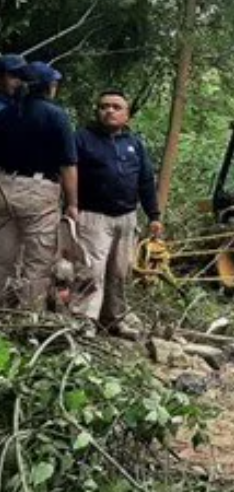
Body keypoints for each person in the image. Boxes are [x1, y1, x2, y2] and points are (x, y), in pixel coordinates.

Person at [72, 90, 161, 335]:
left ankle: (113, 320)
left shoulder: (134, 144)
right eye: (103, 106)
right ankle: (84, 320)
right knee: (91, 270)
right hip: (92, 216)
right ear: (97, 111)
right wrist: (69, 206)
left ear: (127, 114)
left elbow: (145, 181)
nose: (109, 110)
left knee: (120, 271)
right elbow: (68, 173)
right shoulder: (82, 138)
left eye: (115, 106)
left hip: (126, 217)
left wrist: (154, 215)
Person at [0, 61, 79, 310]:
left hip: (4, 185)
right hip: (38, 190)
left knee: (3, 257)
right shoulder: (56, 116)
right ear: (49, 86)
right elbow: (68, 165)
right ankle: (27, 317)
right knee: (38, 260)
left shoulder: (7, 113)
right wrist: (72, 203)